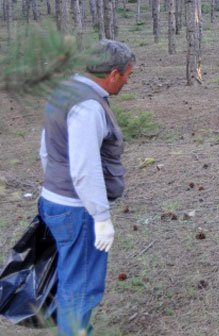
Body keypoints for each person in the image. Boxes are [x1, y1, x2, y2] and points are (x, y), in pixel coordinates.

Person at [37, 39, 135, 336]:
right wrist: (101, 217)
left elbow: (45, 150)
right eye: (128, 75)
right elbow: (84, 168)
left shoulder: (64, 92)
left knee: (70, 279)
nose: (128, 82)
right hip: (77, 210)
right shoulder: (89, 106)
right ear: (114, 73)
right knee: (81, 288)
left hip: (55, 201)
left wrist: (57, 187)